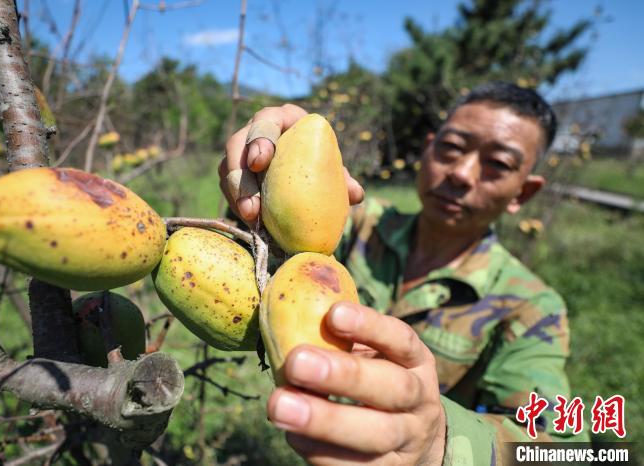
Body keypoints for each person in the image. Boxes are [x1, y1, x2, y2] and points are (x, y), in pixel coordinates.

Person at [219, 82, 589, 465]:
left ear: (522, 194)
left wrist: (440, 441)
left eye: (498, 164)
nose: (461, 173)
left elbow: (563, 447)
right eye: (452, 148)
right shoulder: (349, 223)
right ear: (428, 148)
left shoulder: (530, 306)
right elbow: (256, 252)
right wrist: (263, 177)